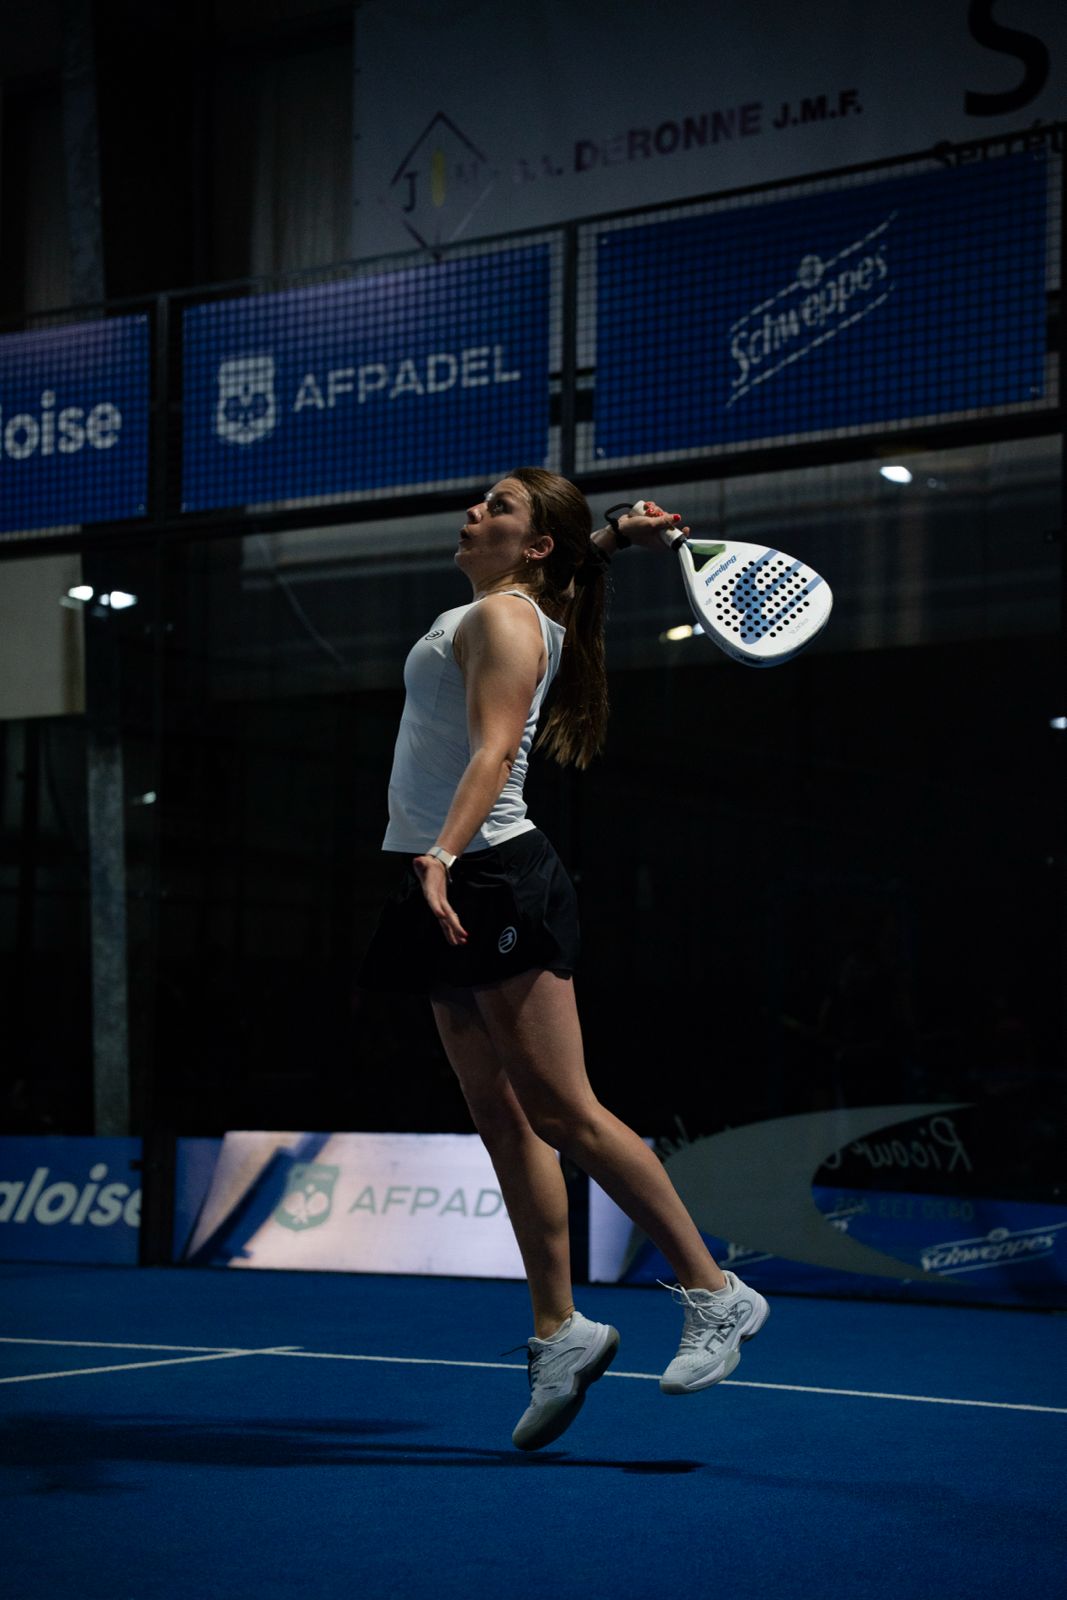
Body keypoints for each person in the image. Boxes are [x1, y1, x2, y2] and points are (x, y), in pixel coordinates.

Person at [358, 468, 768, 1451]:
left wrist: (441, 857)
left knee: (562, 1109)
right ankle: (560, 1329)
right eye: (479, 502)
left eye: (497, 508)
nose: (472, 513)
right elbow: (569, 572)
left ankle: (715, 1292)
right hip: (443, 880)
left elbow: (496, 751)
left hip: (488, 872)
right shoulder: (514, 603)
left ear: (534, 546)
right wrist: (618, 536)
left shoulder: (503, 622)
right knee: (502, 1123)